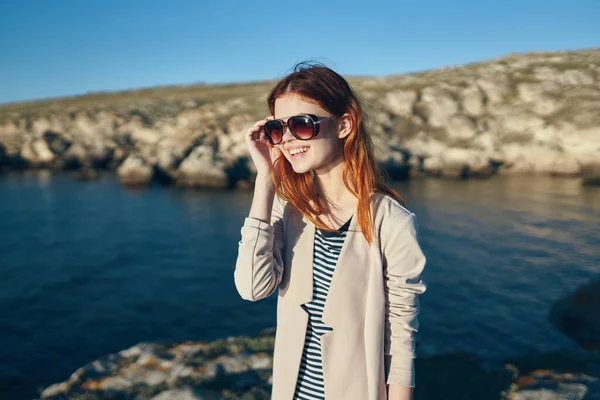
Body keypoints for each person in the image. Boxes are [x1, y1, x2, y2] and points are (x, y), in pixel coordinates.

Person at [233, 62, 427, 400]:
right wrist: (266, 181)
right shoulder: (288, 209)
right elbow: (252, 288)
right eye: (279, 129)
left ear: (344, 125)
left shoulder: (390, 220)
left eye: (302, 124)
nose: (289, 138)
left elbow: (401, 336)